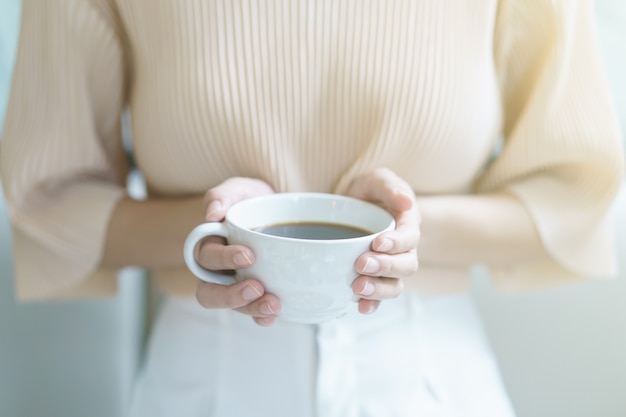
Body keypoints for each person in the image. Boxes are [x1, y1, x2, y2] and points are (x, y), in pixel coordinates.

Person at [1, 0, 624, 416]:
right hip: (203, 384)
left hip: (433, 381)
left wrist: (411, 232)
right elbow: (52, 203)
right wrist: (215, 234)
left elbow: (574, 194)